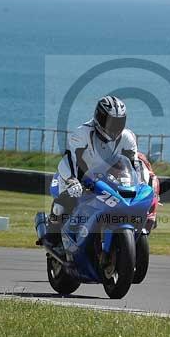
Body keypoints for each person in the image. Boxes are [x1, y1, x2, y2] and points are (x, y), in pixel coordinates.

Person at [43, 96, 138, 245]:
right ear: (99, 117)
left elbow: (134, 167)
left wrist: (142, 184)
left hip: (108, 184)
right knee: (62, 207)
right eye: (112, 122)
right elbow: (70, 161)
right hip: (78, 179)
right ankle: (52, 237)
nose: (115, 126)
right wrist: (72, 181)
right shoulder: (82, 134)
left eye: (119, 122)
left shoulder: (128, 137)